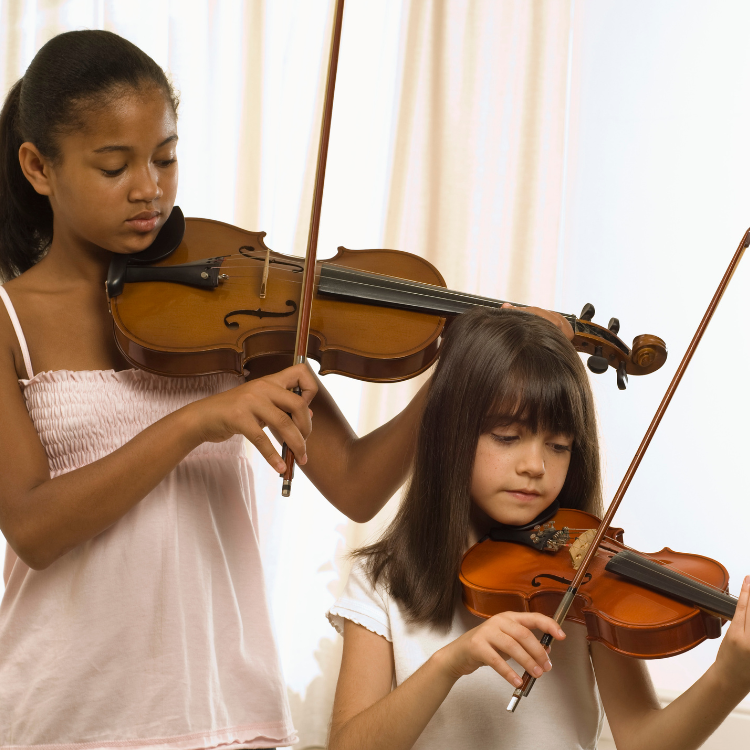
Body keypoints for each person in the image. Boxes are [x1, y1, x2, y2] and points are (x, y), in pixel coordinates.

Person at [0, 29, 573, 750]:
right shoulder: (10, 320)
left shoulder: (225, 301)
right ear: (37, 166)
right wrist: (195, 422)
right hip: (66, 715)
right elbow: (31, 527)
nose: (148, 188)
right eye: (114, 166)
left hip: (228, 711)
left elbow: (360, 486)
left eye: (165, 157)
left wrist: (453, 367)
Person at [326, 306, 750, 750]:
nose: (535, 466)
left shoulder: (589, 581)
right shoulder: (383, 582)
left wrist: (728, 679)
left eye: (559, 445)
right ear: (449, 432)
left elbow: (644, 741)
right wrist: (449, 663)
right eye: (507, 437)